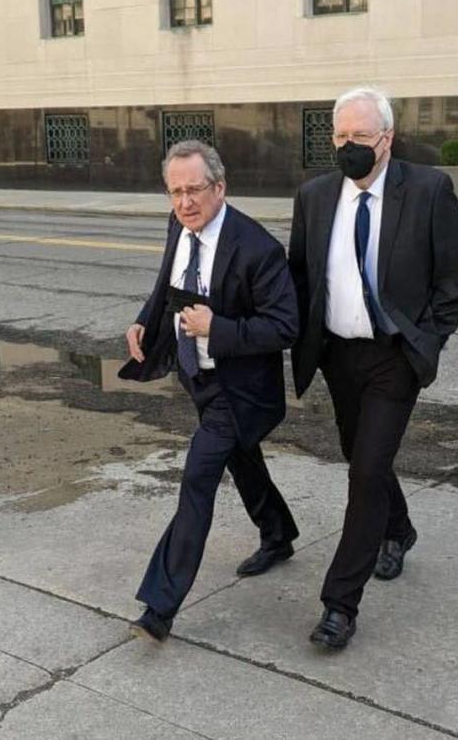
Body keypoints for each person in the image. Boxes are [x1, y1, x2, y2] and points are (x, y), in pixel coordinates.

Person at [288, 88, 458, 649]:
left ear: (386, 139)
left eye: (359, 137)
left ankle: (340, 604)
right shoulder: (315, 196)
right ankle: (399, 528)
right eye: (339, 137)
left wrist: (425, 344)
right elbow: (299, 279)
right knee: (360, 454)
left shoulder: (429, 190)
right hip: (339, 355)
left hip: (395, 358)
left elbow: (453, 285)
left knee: (365, 471)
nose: (347, 147)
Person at [121, 140, 300, 642]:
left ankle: (160, 606)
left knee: (198, 480)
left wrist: (217, 328)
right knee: (242, 457)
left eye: (194, 190)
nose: (184, 202)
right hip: (197, 378)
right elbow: (167, 286)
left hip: (240, 390)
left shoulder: (257, 248)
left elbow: (285, 326)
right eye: (175, 192)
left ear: (220, 187)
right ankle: (279, 534)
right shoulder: (179, 225)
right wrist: (143, 321)